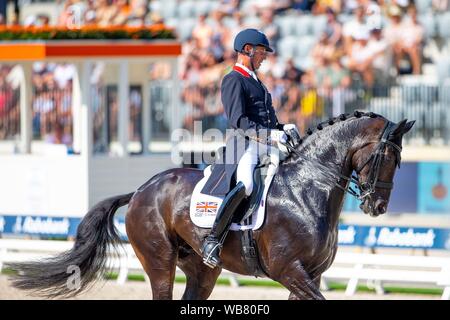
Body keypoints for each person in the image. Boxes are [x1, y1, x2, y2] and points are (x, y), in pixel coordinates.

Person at [200, 28, 299, 268]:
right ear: (248, 50)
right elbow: (238, 121)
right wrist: (270, 134)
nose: (264, 57)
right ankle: (213, 240)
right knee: (247, 184)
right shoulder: (233, 79)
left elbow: (269, 120)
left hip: (264, 144)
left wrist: (283, 128)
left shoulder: (258, 82)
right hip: (243, 145)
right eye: (262, 52)